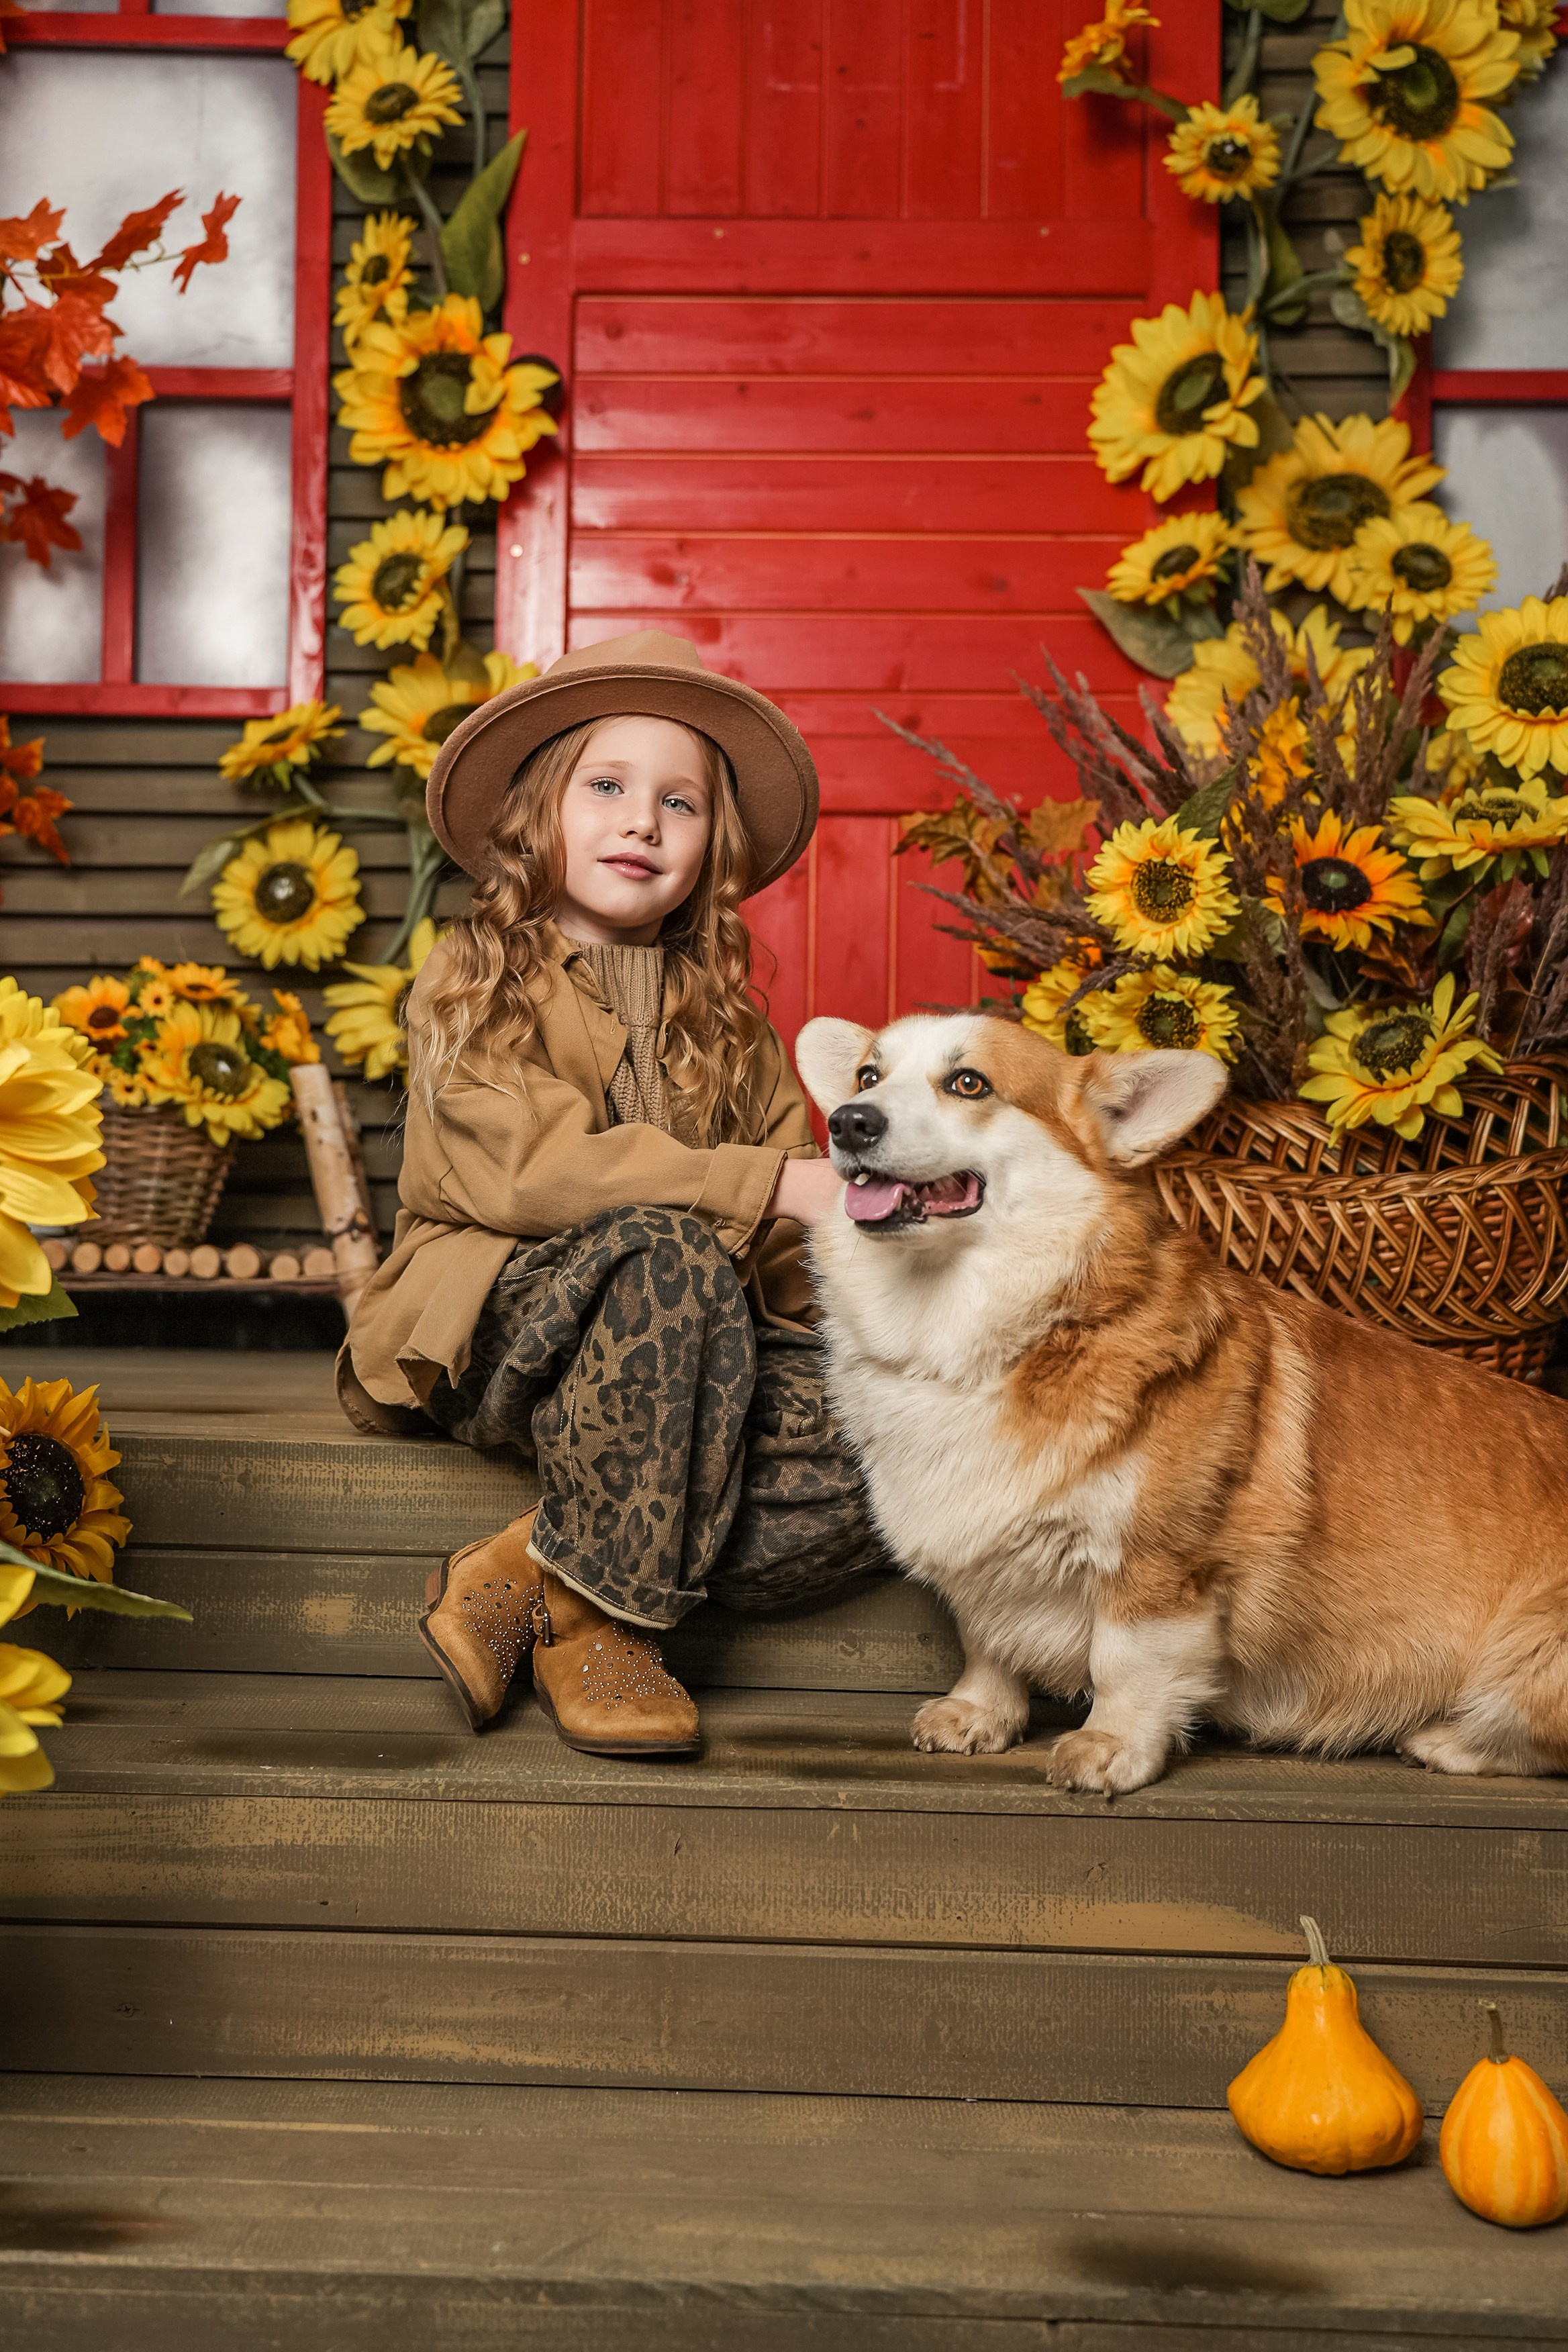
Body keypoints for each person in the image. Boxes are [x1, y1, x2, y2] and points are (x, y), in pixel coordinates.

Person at [337, 629, 884, 1757]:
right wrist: (767, 1183)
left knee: (901, 1436)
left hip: (691, 1365)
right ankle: (611, 1630)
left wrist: (893, 1329)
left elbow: (789, 1253)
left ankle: (537, 1572)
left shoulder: (733, 1027)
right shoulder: (471, 979)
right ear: (539, 816)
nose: (644, 820)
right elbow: (529, 1171)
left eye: (680, 804)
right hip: (501, 1325)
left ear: (712, 853)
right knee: (664, 1248)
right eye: (608, 786)